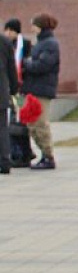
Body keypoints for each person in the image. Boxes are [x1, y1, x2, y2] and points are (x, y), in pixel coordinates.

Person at [20, 12, 60, 169]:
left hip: (42, 89)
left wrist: (26, 64)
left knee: (41, 123)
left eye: (34, 25)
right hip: (34, 88)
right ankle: (44, 154)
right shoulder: (41, 43)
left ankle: (48, 156)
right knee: (33, 123)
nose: (32, 28)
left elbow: (42, 65)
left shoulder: (50, 44)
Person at [0, 29, 16, 174]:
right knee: (2, 128)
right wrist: (14, 89)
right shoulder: (5, 42)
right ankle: (4, 162)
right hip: (1, 91)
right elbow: (12, 68)